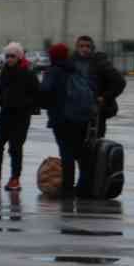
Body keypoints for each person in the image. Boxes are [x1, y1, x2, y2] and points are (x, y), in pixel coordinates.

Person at [39, 42, 91, 197]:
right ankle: (84, 186)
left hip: (61, 118)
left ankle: (67, 187)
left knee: (66, 153)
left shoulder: (53, 71)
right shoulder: (76, 69)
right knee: (81, 153)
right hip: (81, 117)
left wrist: (44, 104)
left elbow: (45, 92)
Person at [0, 42, 42, 190]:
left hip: (21, 116)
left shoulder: (28, 71)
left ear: (18, 57)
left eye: (12, 56)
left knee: (15, 148)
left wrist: (26, 104)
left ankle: (15, 178)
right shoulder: (5, 70)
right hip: (5, 113)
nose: (9, 59)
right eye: (7, 56)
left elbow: (37, 94)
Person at [73, 35, 127, 138]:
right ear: (77, 47)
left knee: (95, 141)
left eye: (87, 46)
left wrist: (104, 97)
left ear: (92, 48)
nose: (84, 49)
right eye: (81, 46)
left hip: (95, 110)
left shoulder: (100, 63)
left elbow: (120, 82)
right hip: (75, 110)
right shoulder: (72, 62)